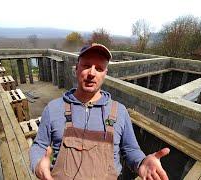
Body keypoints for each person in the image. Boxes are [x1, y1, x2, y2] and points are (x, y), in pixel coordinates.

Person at [29, 43, 170, 180]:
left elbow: (130, 149)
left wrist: (142, 162)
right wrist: (37, 164)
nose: (92, 73)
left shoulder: (119, 111)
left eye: (99, 68)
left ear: (105, 74)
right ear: (76, 68)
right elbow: (39, 145)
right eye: (86, 66)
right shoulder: (53, 109)